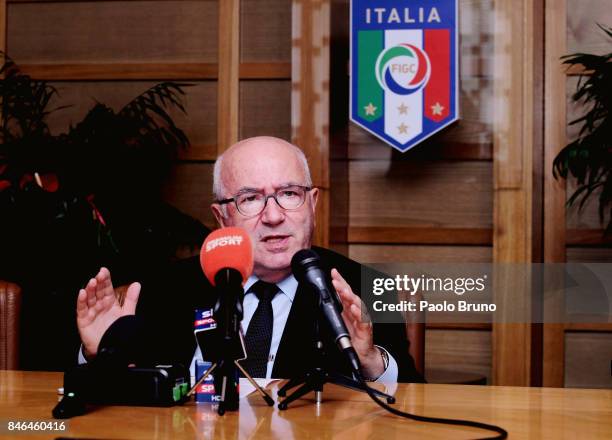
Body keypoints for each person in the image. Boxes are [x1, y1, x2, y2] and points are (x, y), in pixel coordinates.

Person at [76, 136, 423, 382]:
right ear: (221, 216)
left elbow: (414, 400)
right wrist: (100, 354)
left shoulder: (366, 287)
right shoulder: (169, 287)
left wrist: (370, 363)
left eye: (289, 194)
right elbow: (125, 400)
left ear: (313, 205)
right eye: (251, 199)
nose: (273, 216)